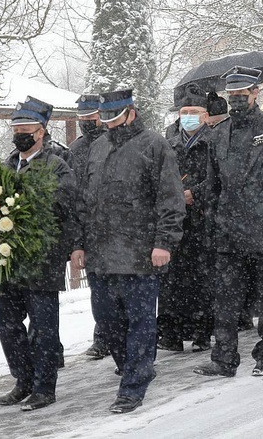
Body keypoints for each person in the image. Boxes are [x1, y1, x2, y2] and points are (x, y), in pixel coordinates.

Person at [82, 89, 185, 414]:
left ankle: (133, 385)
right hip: (102, 255)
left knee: (140, 321)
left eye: (115, 118)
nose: (110, 125)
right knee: (107, 320)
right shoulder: (97, 148)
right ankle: (134, 367)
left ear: (130, 113)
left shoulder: (154, 145)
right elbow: (88, 201)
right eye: (105, 119)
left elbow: (171, 198)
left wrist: (163, 242)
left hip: (140, 252)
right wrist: (81, 244)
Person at [193, 66, 263, 378]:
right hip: (227, 230)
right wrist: (211, 221)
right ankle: (223, 359)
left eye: (242, 94)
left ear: (255, 93)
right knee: (225, 300)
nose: (236, 100)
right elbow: (212, 185)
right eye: (232, 95)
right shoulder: (217, 133)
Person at [0, 96, 84, 411]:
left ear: (42, 132)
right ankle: (24, 380)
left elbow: (68, 207)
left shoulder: (56, 165)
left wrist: (74, 246)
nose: (20, 134)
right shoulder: (5, 166)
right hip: (8, 261)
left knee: (43, 326)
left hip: (43, 258)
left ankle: (45, 387)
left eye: (26, 129)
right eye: (16, 128)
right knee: (5, 321)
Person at [157, 83, 214, 353]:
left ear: (204, 114)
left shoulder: (213, 140)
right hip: (174, 220)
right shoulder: (167, 141)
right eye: (183, 111)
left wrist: (197, 193)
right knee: (172, 278)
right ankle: (172, 332)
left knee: (201, 277)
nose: (188, 115)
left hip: (203, 219)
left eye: (193, 111)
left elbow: (221, 178)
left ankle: (201, 331)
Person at [67, 94, 109, 360]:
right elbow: (73, 193)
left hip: (114, 225)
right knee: (99, 290)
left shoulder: (112, 142)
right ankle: (102, 337)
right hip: (88, 227)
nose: (86, 124)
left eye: (90, 119)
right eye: (81, 119)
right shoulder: (76, 149)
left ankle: (122, 337)